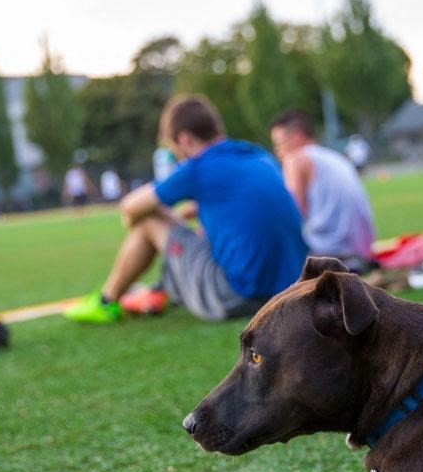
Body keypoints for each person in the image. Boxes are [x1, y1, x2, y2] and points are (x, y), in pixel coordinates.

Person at [64, 94, 308, 324]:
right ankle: (160, 289)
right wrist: (190, 212)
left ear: (184, 140)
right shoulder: (257, 155)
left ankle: (107, 301)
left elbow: (130, 208)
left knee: (149, 220)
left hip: (239, 297)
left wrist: (142, 221)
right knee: (196, 232)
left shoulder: (199, 167)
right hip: (288, 290)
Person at [269, 109, 376, 267]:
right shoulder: (335, 157)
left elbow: (291, 214)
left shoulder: (296, 159)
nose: (277, 152)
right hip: (362, 251)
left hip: (329, 252)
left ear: (297, 136)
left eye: (279, 144)